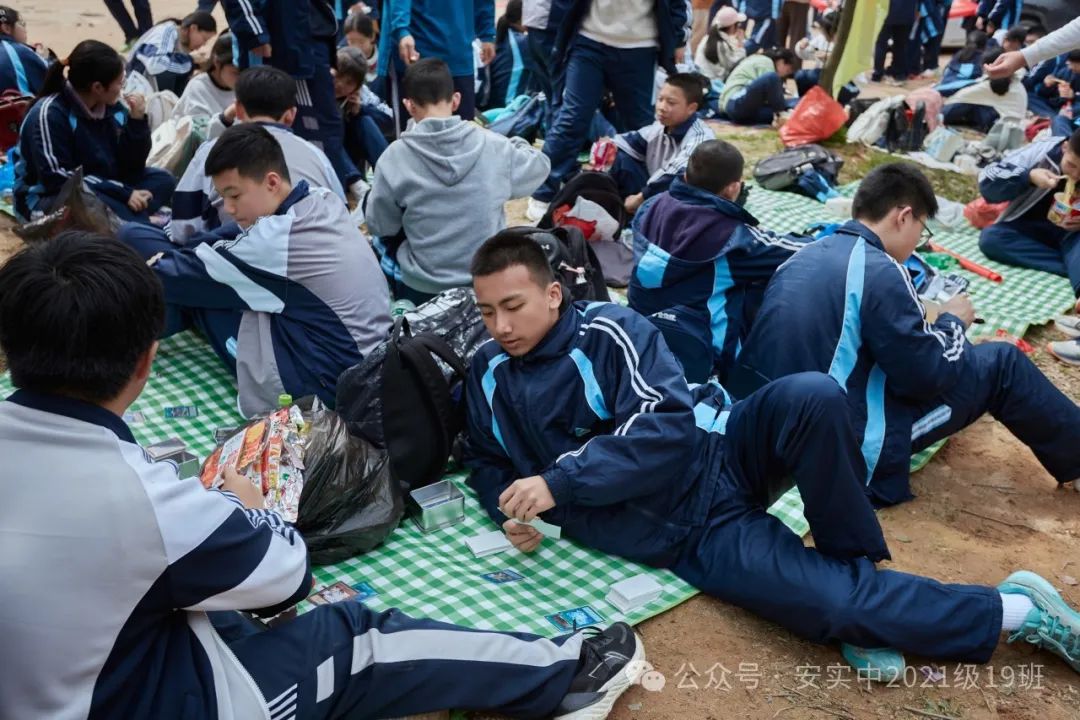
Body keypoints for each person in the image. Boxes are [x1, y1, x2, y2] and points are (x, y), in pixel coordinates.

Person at [0, 230, 647, 720]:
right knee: (353, 636)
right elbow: (283, 577)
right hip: (140, 700)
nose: (499, 327)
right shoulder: (142, 500)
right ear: (146, 361)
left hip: (64, 677)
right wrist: (260, 506)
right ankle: (569, 672)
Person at [464, 229, 1080, 684]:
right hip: (692, 536)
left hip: (722, 451)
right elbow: (488, 462)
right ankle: (1020, 609)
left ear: (550, 294)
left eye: (512, 306)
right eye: (487, 311)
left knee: (812, 396)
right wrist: (511, 510)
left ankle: (855, 569)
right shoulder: (486, 373)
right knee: (832, 603)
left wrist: (559, 480)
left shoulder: (608, 330)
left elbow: (667, 426)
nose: (500, 325)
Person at [728, 162, 1080, 508]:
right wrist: (954, 324)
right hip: (841, 449)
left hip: (766, 426)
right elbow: (926, 377)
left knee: (950, 352)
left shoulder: (803, 254)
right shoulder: (882, 270)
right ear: (903, 216)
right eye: (922, 230)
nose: (918, 242)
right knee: (1001, 362)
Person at [119, 124, 387, 417]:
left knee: (190, 291)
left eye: (234, 196)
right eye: (223, 198)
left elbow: (173, 276)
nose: (230, 208)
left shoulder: (277, 242)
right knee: (198, 269)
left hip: (324, 388)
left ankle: (121, 336)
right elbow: (227, 237)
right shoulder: (319, 199)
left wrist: (163, 261)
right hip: (369, 368)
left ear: (272, 182)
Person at [366, 58, 550, 304]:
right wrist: (512, 141)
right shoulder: (492, 145)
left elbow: (381, 225)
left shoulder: (393, 157)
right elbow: (540, 166)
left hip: (422, 284)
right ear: (456, 100)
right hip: (486, 278)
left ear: (409, 106)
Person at [627, 140, 807, 383]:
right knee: (767, 285)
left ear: (686, 176)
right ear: (734, 188)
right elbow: (801, 250)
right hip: (701, 350)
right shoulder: (735, 239)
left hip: (639, 336)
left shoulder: (650, 207)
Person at [526, 0, 689, 222]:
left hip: (640, 46)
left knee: (640, 127)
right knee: (573, 118)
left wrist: (678, 38)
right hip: (589, 39)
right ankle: (543, 192)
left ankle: (645, 194)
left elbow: (676, 4)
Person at [170, 65, 346, 244]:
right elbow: (342, 216)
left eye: (235, 196)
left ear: (237, 109)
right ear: (290, 115)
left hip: (238, 258)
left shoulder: (214, 150)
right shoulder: (317, 155)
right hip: (311, 254)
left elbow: (182, 229)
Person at [13, 40, 175, 224]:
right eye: (120, 83)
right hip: (49, 199)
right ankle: (135, 221)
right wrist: (122, 192)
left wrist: (137, 122)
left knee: (163, 180)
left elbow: (131, 167)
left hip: (101, 185)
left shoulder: (112, 108)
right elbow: (58, 179)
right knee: (96, 205)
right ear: (97, 87)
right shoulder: (49, 114)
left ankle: (130, 219)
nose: (123, 89)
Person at [222, 0, 363, 197]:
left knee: (326, 129)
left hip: (312, 38)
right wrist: (254, 31)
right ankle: (302, 208)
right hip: (280, 44)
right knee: (285, 133)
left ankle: (332, 206)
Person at [978, 129, 1080, 362]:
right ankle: (1074, 268)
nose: (1075, 175)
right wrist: (1028, 177)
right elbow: (987, 179)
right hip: (1028, 230)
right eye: (1072, 166)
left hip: (1073, 234)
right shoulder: (1045, 150)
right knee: (991, 239)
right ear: (1065, 148)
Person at [377, 0, 496, 128]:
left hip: (456, 50)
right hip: (417, 52)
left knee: (463, 135)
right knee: (414, 138)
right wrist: (401, 30)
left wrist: (487, 32)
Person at [607, 73, 713, 213]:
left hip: (687, 202)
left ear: (691, 108)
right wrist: (606, 148)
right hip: (655, 192)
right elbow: (627, 142)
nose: (662, 107)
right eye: (660, 99)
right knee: (619, 157)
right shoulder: (659, 127)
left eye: (671, 102)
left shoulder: (701, 137)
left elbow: (678, 174)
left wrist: (641, 198)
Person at [127, 11, 218, 96]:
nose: (203, 45)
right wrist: (190, 60)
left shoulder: (184, 45)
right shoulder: (167, 30)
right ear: (193, 28)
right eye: (204, 39)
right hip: (136, 87)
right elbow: (156, 64)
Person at [333, 46, 391, 172]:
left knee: (365, 121)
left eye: (348, 82)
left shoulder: (361, 94)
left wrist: (360, 110)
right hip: (329, 154)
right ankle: (355, 182)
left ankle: (390, 174)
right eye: (337, 77)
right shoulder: (319, 90)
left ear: (357, 86)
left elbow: (389, 119)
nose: (340, 85)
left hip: (351, 154)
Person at [940, 46, 1020, 132]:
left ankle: (935, 118)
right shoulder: (1014, 79)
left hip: (1001, 127)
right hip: (1012, 125)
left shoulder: (990, 85)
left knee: (966, 103)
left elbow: (961, 97)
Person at [719, 47, 799, 125]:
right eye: (788, 69)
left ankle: (782, 114)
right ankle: (782, 114)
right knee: (772, 77)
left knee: (770, 114)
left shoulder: (756, 60)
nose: (787, 73)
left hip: (737, 108)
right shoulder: (765, 61)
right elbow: (769, 95)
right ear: (781, 62)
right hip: (735, 101)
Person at [794, 10, 858, 105]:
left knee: (813, 75)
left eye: (824, 31)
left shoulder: (851, 42)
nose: (822, 33)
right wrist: (801, 46)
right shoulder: (822, 39)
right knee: (800, 75)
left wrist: (831, 58)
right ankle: (805, 105)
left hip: (847, 85)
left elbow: (851, 66)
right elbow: (806, 54)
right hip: (824, 79)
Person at [171, 32, 239, 123]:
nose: (242, 78)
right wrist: (227, 117)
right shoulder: (198, 87)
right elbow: (200, 133)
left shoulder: (246, 86)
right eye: (236, 73)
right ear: (217, 63)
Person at [480, 0, 534, 111]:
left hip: (490, 107)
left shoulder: (499, 36)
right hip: (508, 110)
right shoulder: (523, 43)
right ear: (523, 18)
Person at [985, 18, 1080, 79]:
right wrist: (1023, 56)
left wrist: (1023, 56)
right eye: (1028, 42)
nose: (1029, 45)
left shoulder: (1051, 60)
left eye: (1032, 42)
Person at [0, 6, 46, 96]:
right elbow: (55, 79)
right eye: (21, 24)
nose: (25, 30)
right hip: (17, 109)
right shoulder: (17, 51)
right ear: (6, 28)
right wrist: (44, 56)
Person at [693, 6, 746, 82]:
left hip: (704, 78)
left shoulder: (710, 37)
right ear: (731, 26)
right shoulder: (721, 44)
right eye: (737, 24)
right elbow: (735, 63)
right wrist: (741, 44)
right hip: (712, 83)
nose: (738, 27)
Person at [872, 0, 917, 85]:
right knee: (901, 45)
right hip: (907, 13)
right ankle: (899, 73)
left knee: (881, 43)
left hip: (886, 12)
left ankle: (878, 73)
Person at [343, 12, 380, 85]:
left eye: (361, 42)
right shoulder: (342, 58)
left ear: (372, 37)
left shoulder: (383, 54)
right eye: (351, 42)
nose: (356, 48)